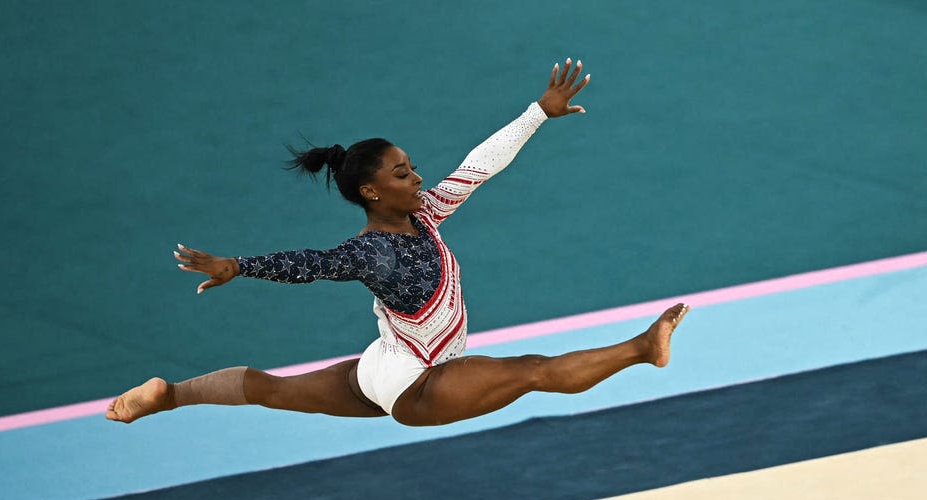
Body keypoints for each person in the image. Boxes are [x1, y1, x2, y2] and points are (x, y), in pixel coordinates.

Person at [106, 58, 688, 428]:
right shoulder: (374, 251)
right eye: (402, 173)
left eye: (411, 166)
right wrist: (241, 265)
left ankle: (169, 394)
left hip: (379, 367)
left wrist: (537, 113)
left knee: (268, 389)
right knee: (531, 370)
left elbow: (479, 166)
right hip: (418, 384)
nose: (416, 177)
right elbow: (314, 264)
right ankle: (642, 348)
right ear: (371, 190)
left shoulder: (425, 213)